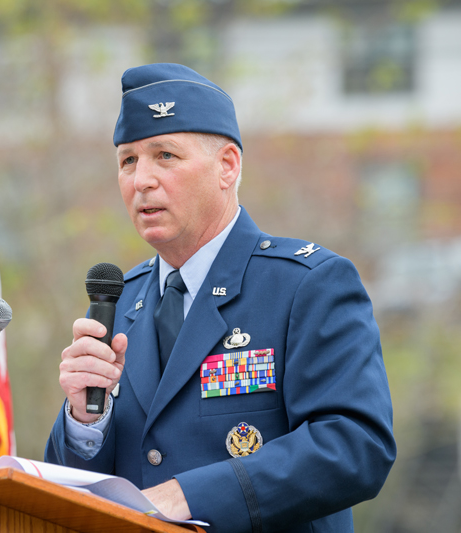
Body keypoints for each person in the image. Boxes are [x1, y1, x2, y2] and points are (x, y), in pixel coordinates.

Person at [45, 63, 396, 532]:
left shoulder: (305, 285)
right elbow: (81, 494)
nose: (141, 179)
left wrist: (188, 496)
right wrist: (84, 422)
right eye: (127, 161)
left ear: (227, 166)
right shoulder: (120, 302)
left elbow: (355, 446)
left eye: (165, 155)